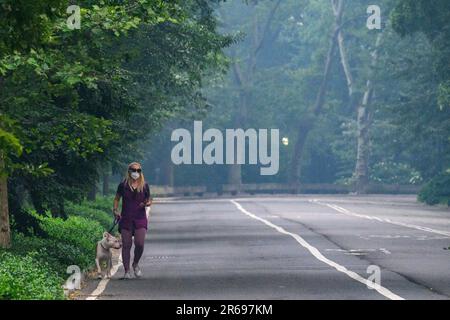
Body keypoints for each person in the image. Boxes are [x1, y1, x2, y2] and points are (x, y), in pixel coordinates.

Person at [113, 162, 152, 279]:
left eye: (138, 170)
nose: (136, 173)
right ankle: (126, 271)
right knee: (126, 245)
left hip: (140, 219)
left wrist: (146, 203)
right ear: (129, 171)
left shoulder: (144, 185)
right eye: (133, 170)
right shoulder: (123, 185)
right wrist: (115, 210)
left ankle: (135, 263)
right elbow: (117, 198)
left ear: (141, 172)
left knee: (139, 244)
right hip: (126, 218)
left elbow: (149, 200)